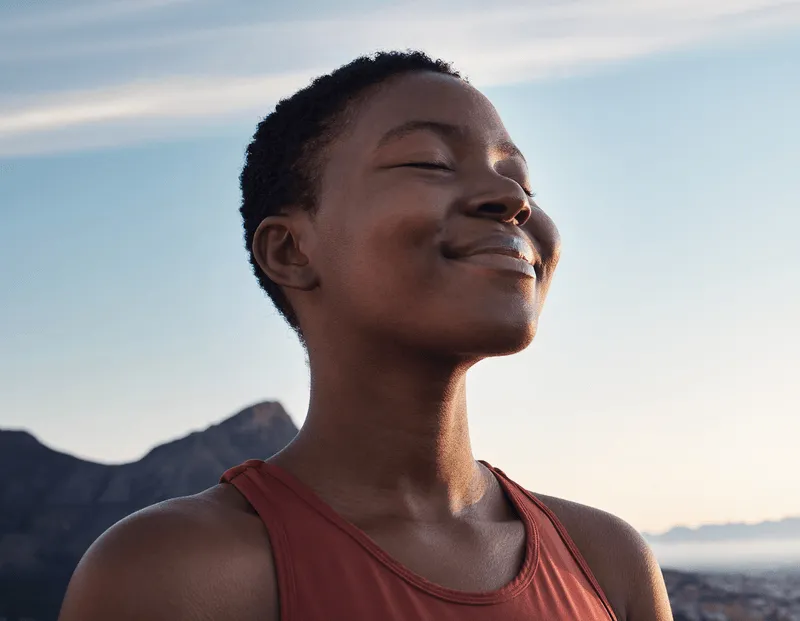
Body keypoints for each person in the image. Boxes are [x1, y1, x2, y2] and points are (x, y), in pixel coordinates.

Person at [58, 50, 673, 621]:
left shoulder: (608, 560)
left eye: (520, 180)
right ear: (292, 250)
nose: (511, 199)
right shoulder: (176, 574)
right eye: (430, 162)